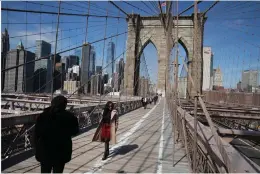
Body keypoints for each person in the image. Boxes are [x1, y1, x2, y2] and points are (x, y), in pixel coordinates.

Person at [34, 95, 79, 173]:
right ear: (64, 105)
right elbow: (75, 131)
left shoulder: (43, 116)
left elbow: (37, 133)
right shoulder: (70, 117)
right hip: (61, 152)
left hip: (45, 151)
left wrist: (36, 147)